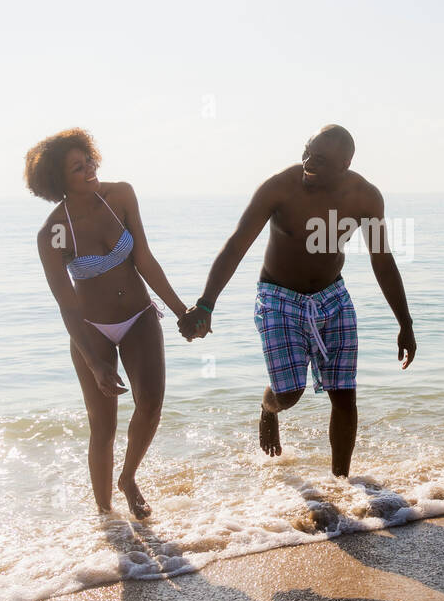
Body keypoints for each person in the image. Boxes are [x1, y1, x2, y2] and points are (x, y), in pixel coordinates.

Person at [179, 124, 415, 476]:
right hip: (277, 296)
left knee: (344, 396)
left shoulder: (365, 197)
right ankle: (268, 407)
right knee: (289, 394)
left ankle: (341, 484)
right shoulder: (280, 188)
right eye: (306, 151)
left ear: (344, 165)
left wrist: (405, 323)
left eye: (319, 159)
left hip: (333, 297)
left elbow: (382, 259)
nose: (307, 162)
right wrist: (206, 304)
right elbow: (236, 245)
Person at [26, 128, 190, 518]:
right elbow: (66, 305)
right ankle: (106, 516)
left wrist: (183, 311)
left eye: (90, 161)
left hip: (139, 316)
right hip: (90, 331)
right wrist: (95, 363)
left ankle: (128, 478)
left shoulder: (121, 196)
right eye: (77, 168)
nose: (89, 170)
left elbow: (145, 260)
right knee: (103, 427)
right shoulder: (52, 233)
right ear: (57, 180)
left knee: (150, 406)